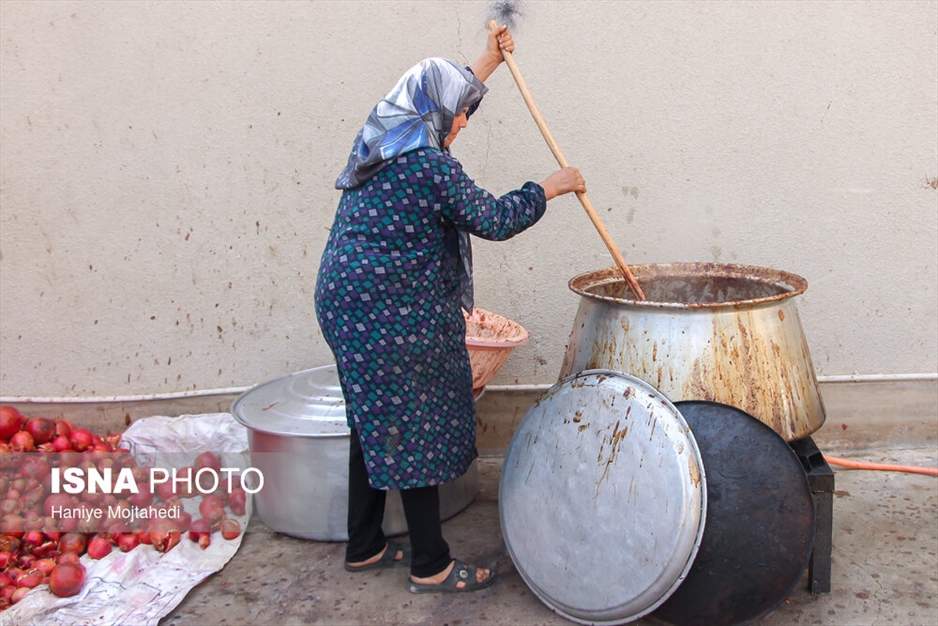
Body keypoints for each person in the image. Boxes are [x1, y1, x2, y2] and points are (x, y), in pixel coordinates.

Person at [314, 24, 585, 594]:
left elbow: (443, 101)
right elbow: (493, 219)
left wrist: (487, 61)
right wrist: (550, 187)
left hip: (343, 300)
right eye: (459, 115)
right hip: (386, 311)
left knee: (372, 418)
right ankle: (430, 565)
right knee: (411, 423)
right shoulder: (429, 169)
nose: (463, 123)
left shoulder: (382, 134)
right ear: (435, 115)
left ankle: (364, 547)